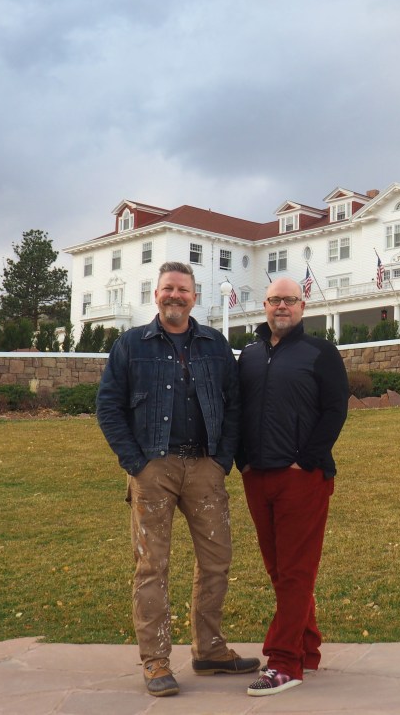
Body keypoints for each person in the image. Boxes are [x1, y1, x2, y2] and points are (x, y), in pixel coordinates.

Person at [96, 261, 259, 697]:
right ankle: (156, 662)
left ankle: (209, 650)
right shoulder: (131, 345)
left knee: (217, 560)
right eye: (168, 288)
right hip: (154, 470)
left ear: (194, 296)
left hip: (204, 467)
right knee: (152, 566)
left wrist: (222, 459)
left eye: (183, 290)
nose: (175, 296)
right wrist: (136, 463)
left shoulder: (215, 345)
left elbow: (234, 405)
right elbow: (108, 407)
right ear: (157, 295)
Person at [237, 276, 349, 696]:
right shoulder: (247, 354)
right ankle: (308, 647)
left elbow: (335, 410)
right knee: (279, 570)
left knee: (296, 571)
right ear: (264, 306)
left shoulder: (320, 352)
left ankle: (285, 662)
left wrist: (307, 460)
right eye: (274, 300)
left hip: (303, 477)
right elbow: (237, 408)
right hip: (257, 476)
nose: (281, 306)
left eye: (289, 300)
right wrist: (242, 461)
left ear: (303, 306)